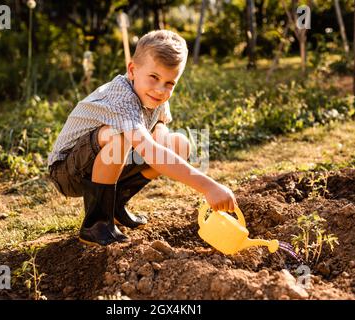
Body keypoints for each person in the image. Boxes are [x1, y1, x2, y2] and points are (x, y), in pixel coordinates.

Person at [48, 30, 237, 246]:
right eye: (154, 78)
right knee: (119, 139)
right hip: (67, 171)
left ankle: (116, 204)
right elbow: (149, 150)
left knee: (178, 144)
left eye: (169, 83)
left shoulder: (154, 95)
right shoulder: (121, 96)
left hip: (100, 164)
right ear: (132, 70)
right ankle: (96, 224)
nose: (160, 90)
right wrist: (209, 186)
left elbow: (159, 127)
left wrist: (162, 139)